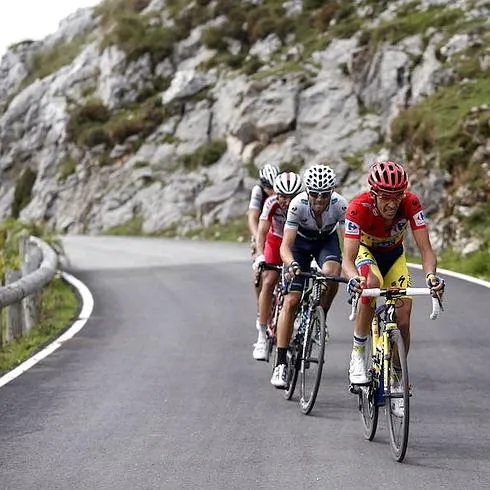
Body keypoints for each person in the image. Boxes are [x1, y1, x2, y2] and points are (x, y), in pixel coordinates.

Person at [342, 161, 445, 413]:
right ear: (374, 194)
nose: (392, 204)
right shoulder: (358, 208)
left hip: (394, 257)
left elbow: (426, 250)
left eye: (397, 197)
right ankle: (358, 352)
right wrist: (354, 278)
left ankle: (398, 377)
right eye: (386, 197)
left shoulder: (411, 204)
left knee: (404, 320)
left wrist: (431, 277)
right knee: (371, 283)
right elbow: (347, 259)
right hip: (366, 254)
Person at [270, 163, 348, 388]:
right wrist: (291, 263)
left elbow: (349, 243)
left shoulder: (340, 205)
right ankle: (281, 363)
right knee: (291, 300)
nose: (319, 199)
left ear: (332, 192)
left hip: (326, 241)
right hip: (300, 245)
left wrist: (354, 268)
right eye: (314, 194)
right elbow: (285, 246)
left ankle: (320, 315)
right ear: (307, 191)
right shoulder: (297, 205)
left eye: (325, 194)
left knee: (332, 275)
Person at [251, 171, 303, 361]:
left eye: (292, 197)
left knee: (301, 281)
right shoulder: (270, 203)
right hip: (275, 241)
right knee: (270, 279)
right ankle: (262, 335)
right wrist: (260, 254)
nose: (287, 202)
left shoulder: (303, 205)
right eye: (282, 196)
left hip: (295, 243)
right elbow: (262, 231)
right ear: (276, 193)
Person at [248, 164, 280, 313]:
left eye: (275, 186)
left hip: (278, 230)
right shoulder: (258, 191)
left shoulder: (282, 192)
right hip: (262, 230)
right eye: (269, 187)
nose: (272, 190)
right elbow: (252, 217)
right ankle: (260, 305)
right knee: (260, 268)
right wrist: (256, 239)